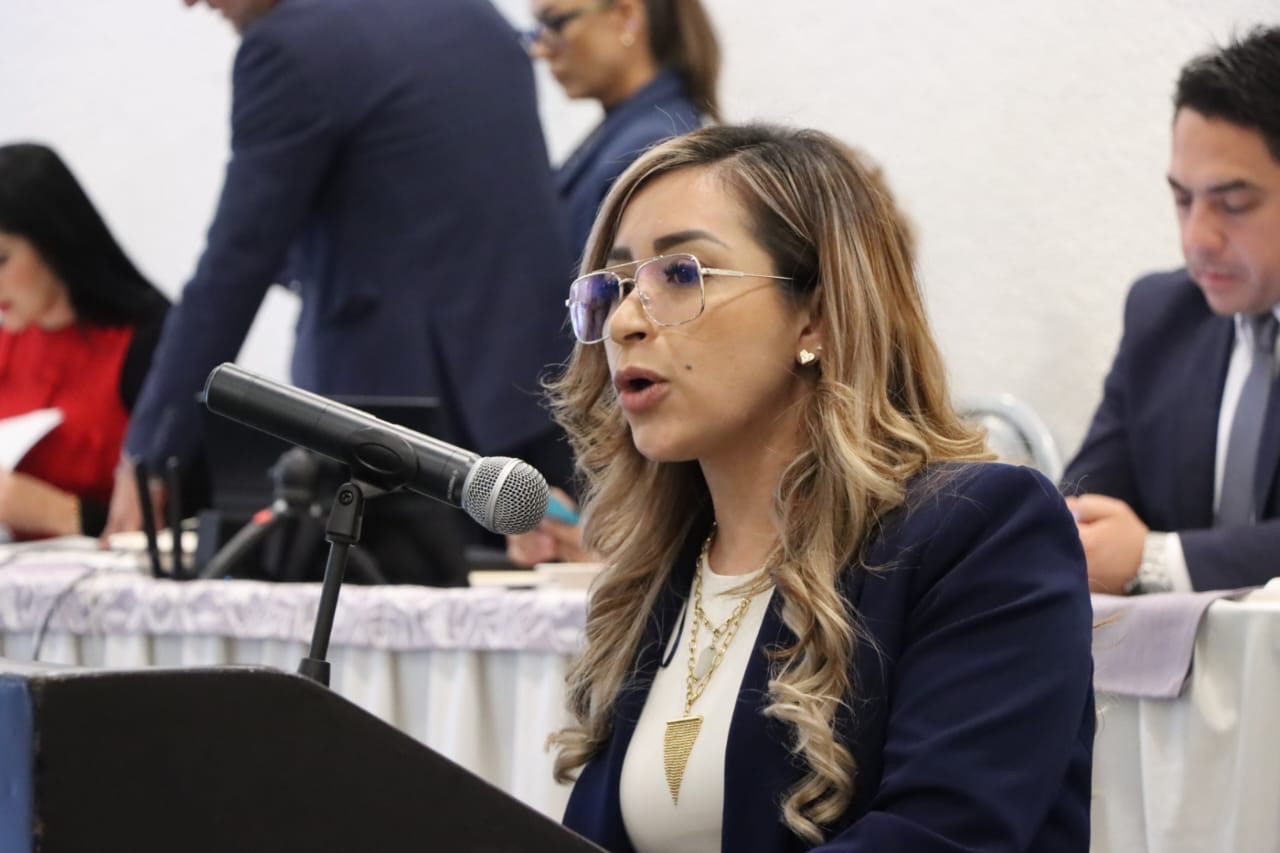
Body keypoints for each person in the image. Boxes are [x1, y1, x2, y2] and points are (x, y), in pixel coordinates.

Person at [549, 124, 1094, 851]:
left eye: (680, 275)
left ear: (818, 316)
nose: (624, 322)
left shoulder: (983, 533)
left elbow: (941, 835)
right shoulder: (657, 576)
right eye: (614, 286)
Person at [106, 0, 575, 541]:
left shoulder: (289, 48)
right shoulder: (474, 15)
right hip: (539, 400)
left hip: (404, 440)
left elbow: (233, 268)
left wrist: (149, 454)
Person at [1063, 26, 1280, 594]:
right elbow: (1085, 501)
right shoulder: (1162, 314)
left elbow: (1138, 556)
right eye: (1183, 199)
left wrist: (1157, 559)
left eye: (1233, 204)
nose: (1196, 239)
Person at [0, 143, 169, 539]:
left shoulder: (150, 343)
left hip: (118, 567)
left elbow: (188, 512)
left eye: (1, 260)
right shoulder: (9, 336)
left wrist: (60, 514)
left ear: (51, 242)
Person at [527, 0, 720, 260]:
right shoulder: (630, 133)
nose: (538, 50)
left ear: (626, 16)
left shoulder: (648, 149)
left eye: (554, 23)